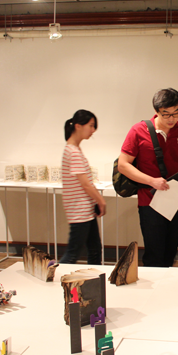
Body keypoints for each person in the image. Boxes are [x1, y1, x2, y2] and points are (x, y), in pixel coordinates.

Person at [118, 88, 178, 267]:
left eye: (176, 113)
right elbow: (123, 165)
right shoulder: (139, 130)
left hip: (176, 201)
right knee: (154, 256)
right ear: (156, 111)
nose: (171, 119)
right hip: (149, 201)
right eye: (166, 114)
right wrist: (152, 181)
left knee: (170, 254)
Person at [59, 110, 106, 265]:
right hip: (79, 210)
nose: (93, 130)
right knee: (73, 253)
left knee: (94, 249)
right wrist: (101, 201)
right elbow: (85, 184)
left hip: (84, 209)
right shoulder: (73, 152)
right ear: (78, 126)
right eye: (91, 126)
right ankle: (55, 276)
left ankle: (95, 276)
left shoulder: (73, 149)